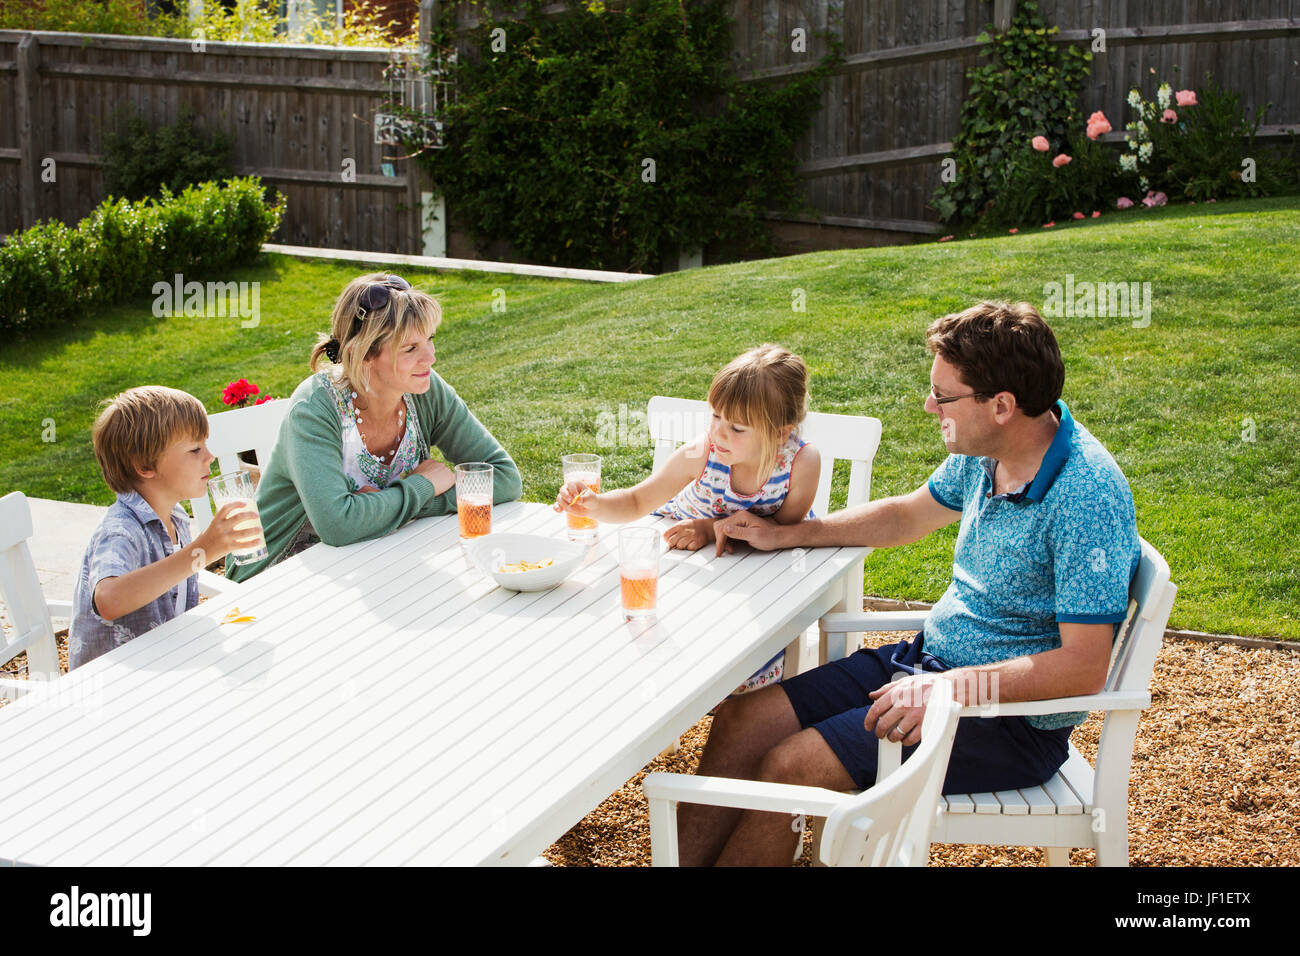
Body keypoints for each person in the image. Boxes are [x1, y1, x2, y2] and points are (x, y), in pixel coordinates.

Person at [683, 301, 1141, 866]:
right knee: (742, 719)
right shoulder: (989, 452)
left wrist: (950, 691)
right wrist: (790, 534)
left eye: (943, 396)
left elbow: (1083, 667)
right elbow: (906, 516)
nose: (929, 406)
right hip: (926, 665)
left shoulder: (1087, 495)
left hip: (1005, 722)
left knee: (791, 766)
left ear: (1002, 405)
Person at [554, 344, 820, 693]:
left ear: (780, 433)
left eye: (737, 428)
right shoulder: (703, 452)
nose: (719, 433)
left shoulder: (800, 463)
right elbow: (637, 499)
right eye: (715, 416)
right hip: (685, 561)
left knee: (745, 659)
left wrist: (710, 529)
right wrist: (594, 504)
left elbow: (780, 531)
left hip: (754, 577)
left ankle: (744, 699)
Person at [227, 273, 522, 581]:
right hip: (274, 577)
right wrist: (423, 486)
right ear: (364, 353)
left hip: (369, 559)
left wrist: (393, 505)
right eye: (410, 348)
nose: (430, 358)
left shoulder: (425, 391)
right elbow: (338, 525)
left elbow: (503, 478)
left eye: (430, 340)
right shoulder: (316, 407)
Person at [70, 387, 263, 669]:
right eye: (195, 449)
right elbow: (109, 600)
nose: (209, 456)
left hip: (164, 661)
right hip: (116, 684)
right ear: (145, 466)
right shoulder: (121, 530)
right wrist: (204, 549)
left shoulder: (175, 516)